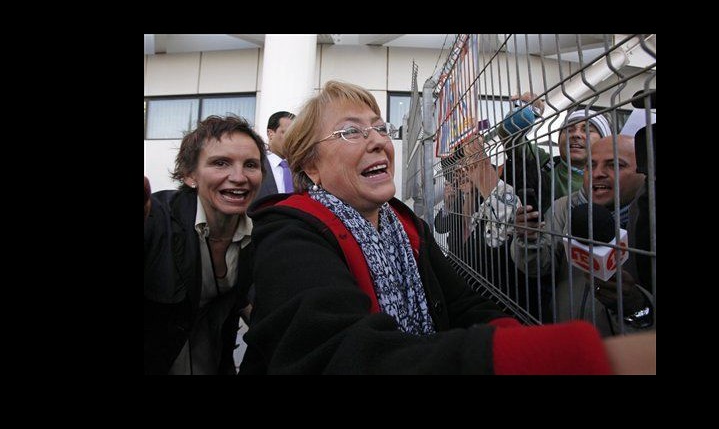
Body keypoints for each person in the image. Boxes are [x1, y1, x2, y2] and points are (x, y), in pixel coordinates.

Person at [239, 80, 655, 374]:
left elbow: (465, 304)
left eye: (380, 127)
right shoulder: (288, 234)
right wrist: (564, 359)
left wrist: (511, 334)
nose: (377, 140)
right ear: (311, 165)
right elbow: (343, 356)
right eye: (351, 131)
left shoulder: (405, 225)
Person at [144, 115, 266, 375]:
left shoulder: (261, 234)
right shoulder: (157, 218)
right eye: (220, 163)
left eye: (251, 165)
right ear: (190, 175)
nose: (239, 177)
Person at [511, 135, 653, 336]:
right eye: (590, 165)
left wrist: (638, 305)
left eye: (615, 165)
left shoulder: (649, 220)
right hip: (566, 338)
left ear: (643, 173)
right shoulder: (563, 208)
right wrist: (528, 239)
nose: (597, 173)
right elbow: (538, 266)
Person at [501, 92, 612, 214]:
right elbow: (509, 135)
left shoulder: (614, 180)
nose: (576, 135)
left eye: (587, 130)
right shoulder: (544, 162)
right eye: (569, 130)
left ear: (604, 140)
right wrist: (526, 112)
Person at [255, 111, 296, 200]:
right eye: (287, 133)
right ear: (270, 134)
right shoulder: (256, 165)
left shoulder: (302, 169)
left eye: (296, 134)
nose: (293, 139)